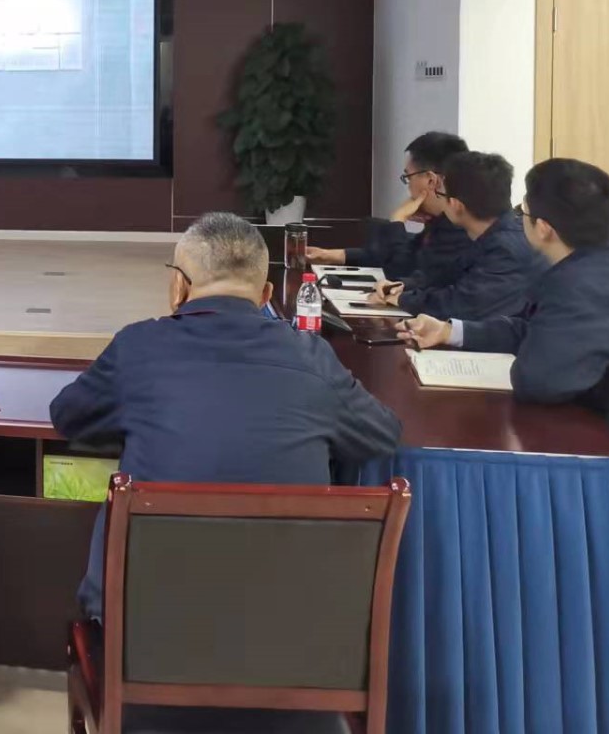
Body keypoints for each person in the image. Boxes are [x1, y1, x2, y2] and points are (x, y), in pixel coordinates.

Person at [51, 212, 401, 622]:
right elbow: (383, 433)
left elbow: (68, 416)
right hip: (291, 633)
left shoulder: (138, 347)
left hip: (144, 630)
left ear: (179, 285)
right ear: (266, 294)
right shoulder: (314, 359)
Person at [402, 159, 609, 450]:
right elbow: (536, 329)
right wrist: (449, 331)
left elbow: (536, 382)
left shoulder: (579, 286)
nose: (518, 220)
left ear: (543, 229)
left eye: (522, 212)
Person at [370, 151, 542, 320]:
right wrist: (403, 286)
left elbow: (462, 304)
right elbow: (447, 276)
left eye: (441, 195)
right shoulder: (489, 234)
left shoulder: (507, 248)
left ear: (455, 205)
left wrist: (402, 299)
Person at [307, 131, 472, 282]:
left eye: (408, 177)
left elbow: (399, 274)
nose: (408, 186)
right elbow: (399, 257)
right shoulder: (441, 221)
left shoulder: (461, 229)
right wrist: (331, 255)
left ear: (430, 180)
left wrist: (398, 219)